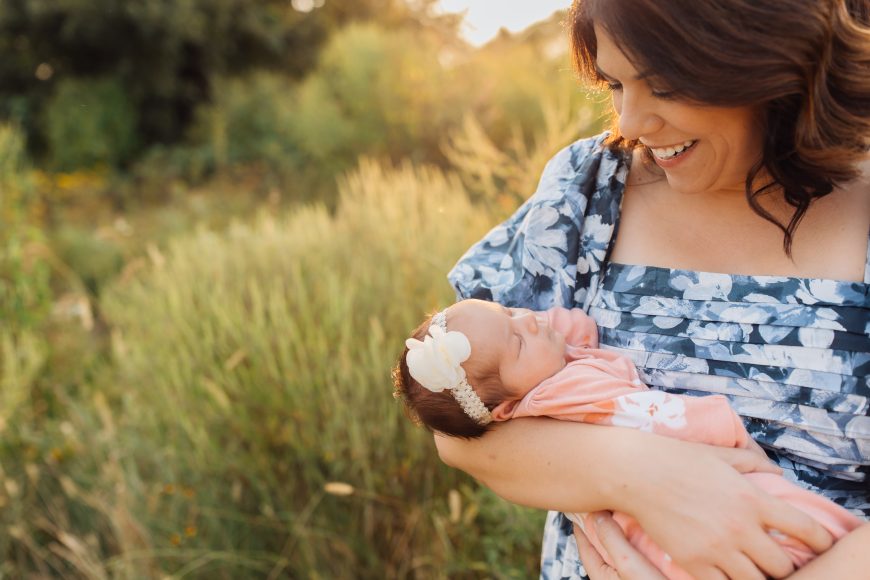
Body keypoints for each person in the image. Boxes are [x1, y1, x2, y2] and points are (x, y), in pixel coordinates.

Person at [435, 1, 870, 578]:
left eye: (663, 85)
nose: (632, 122)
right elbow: (461, 427)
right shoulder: (587, 190)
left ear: (774, 60)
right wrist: (645, 476)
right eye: (614, 83)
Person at [393, 299, 862, 578]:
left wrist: (525, 334)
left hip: (655, 536)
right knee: (803, 530)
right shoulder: (568, 394)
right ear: (506, 409)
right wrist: (724, 431)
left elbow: (573, 328)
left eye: (512, 312)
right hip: (678, 519)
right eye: (516, 340)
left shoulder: (537, 379)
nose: (530, 321)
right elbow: (653, 420)